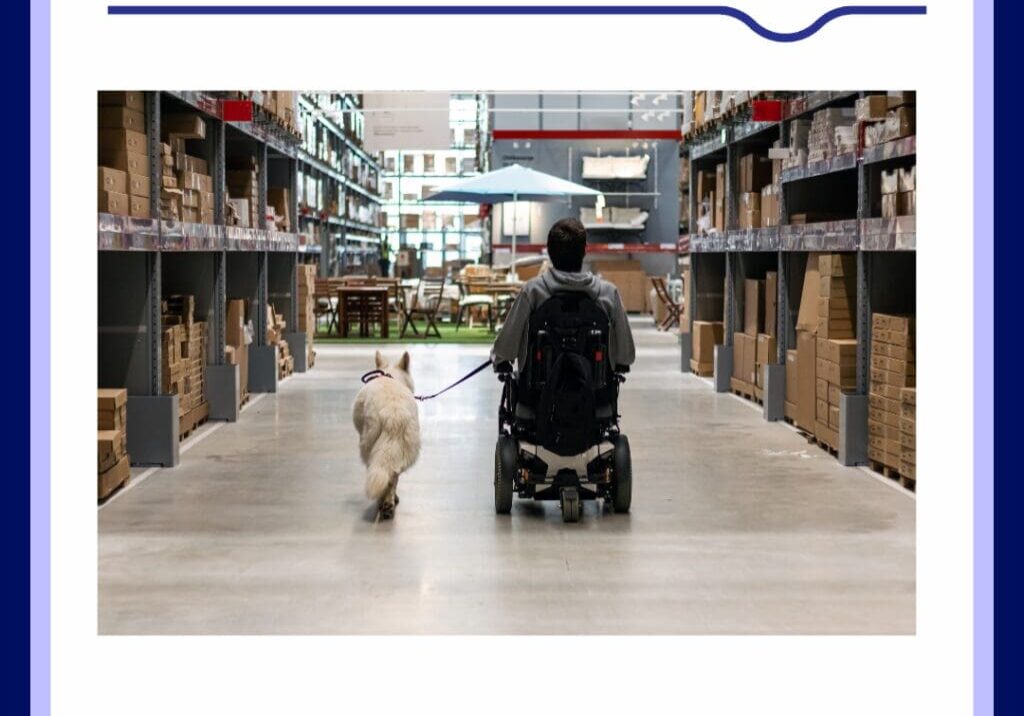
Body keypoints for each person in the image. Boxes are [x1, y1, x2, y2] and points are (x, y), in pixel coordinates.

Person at [491, 217, 636, 371]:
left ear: (549, 251)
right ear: (585, 251)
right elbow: (626, 356)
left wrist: (498, 358)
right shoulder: (608, 293)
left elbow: (505, 350)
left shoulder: (533, 292)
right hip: (596, 393)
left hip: (536, 393)